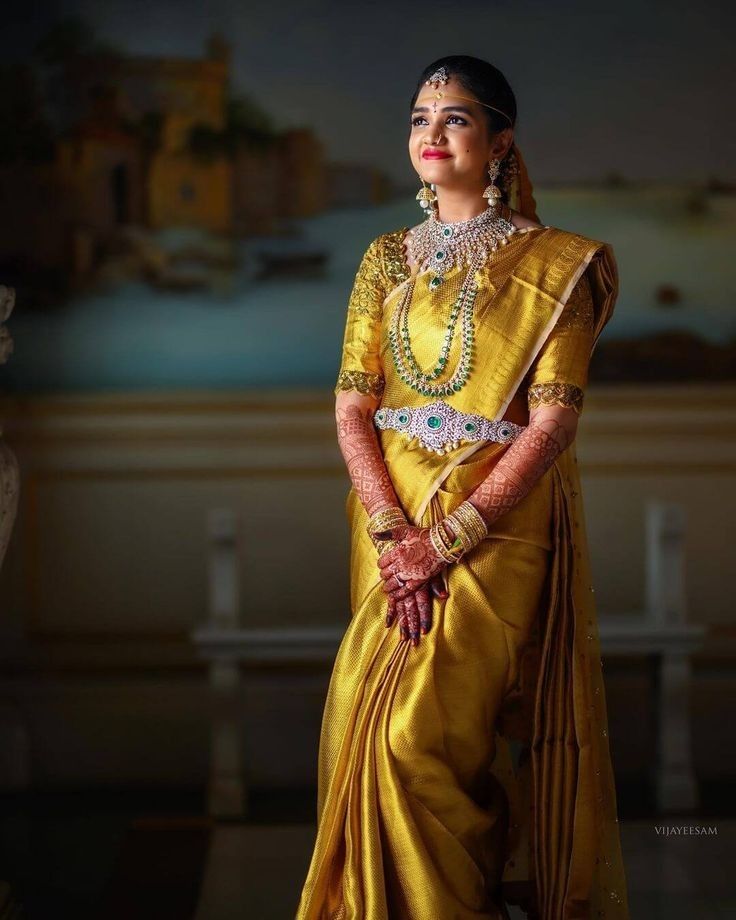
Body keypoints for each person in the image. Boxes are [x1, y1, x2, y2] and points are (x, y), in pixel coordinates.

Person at [296, 55, 629, 920]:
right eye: (417, 119)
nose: (431, 135)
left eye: (454, 119)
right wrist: (391, 531)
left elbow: (552, 424)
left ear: (500, 142)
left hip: (499, 521)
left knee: (425, 742)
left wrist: (447, 539)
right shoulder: (383, 258)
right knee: (367, 736)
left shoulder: (560, 266)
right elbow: (351, 406)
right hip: (389, 519)